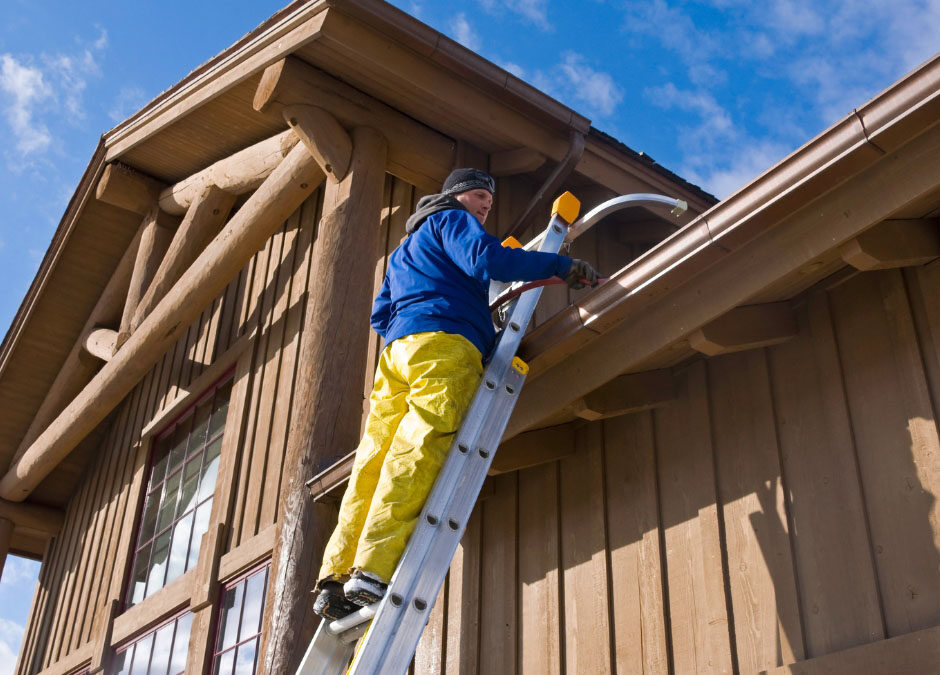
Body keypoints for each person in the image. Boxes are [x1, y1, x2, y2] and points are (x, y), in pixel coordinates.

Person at [312, 168, 598, 620]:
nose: (485, 205)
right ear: (456, 195)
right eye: (480, 195)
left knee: (374, 458)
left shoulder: (405, 249)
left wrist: (428, 313)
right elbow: (487, 260)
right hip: (444, 346)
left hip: (397, 354)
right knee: (418, 449)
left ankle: (334, 577)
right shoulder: (452, 219)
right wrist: (562, 267)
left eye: (490, 200)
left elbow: (380, 315)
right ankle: (370, 570)